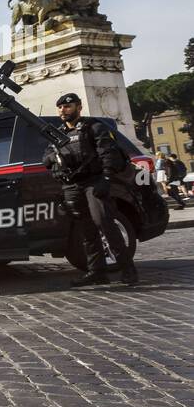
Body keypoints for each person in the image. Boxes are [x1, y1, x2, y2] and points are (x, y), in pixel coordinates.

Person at [42, 92, 139, 286]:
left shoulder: (93, 127)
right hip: (72, 185)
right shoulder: (58, 133)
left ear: (79, 107)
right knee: (85, 229)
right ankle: (97, 272)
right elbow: (46, 158)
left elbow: (108, 152)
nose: (63, 110)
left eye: (68, 106)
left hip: (94, 182)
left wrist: (106, 178)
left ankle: (127, 269)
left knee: (104, 223)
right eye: (60, 107)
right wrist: (53, 158)